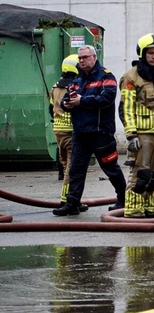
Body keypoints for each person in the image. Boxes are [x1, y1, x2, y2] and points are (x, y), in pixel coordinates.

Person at [52, 45, 127, 216]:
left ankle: (123, 199)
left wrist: (81, 101)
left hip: (100, 133)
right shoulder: (77, 80)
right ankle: (72, 203)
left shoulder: (106, 76)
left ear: (94, 57)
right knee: (76, 170)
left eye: (85, 57)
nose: (82, 61)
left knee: (110, 168)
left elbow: (107, 98)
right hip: (80, 134)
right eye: (80, 58)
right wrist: (67, 104)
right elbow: (65, 101)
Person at [121, 34, 154, 218]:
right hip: (140, 133)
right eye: (150, 53)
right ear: (142, 54)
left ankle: (148, 207)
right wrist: (131, 135)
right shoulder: (130, 77)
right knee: (140, 173)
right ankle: (133, 209)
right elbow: (126, 108)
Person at [49, 55, 89, 212]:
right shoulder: (74, 86)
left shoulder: (55, 87)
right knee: (72, 168)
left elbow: (51, 109)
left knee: (66, 164)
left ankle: (74, 200)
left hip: (58, 130)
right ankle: (67, 200)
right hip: (71, 131)